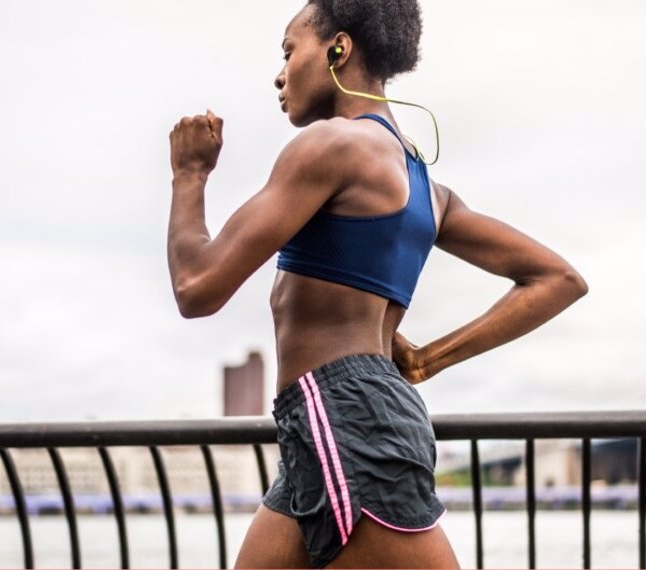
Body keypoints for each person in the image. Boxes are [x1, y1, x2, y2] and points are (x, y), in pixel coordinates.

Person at [167, 1, 588, 567]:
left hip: (343, 418)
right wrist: (426, 360)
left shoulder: (333, 145)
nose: (279, 72)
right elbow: (557, 278)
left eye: (290, 51)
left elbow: (197, 287)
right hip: (330, 422)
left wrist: (190, 174)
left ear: (339, 49)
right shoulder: (426, 187)